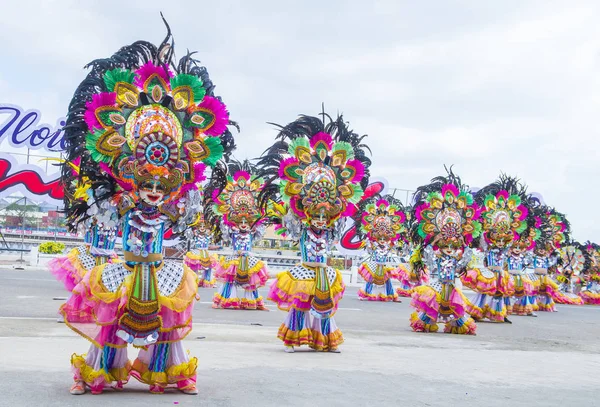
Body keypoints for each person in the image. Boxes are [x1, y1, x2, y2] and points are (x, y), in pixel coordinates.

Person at [58, 21, 236, 395]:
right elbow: (107, 220)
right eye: (148, 184)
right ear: (130, 176)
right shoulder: (121, 204)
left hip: (160, 271)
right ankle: (97, 373)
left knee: (169, 323)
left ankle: (170, 373)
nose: (154, 191)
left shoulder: (176, 209)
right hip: (126, 270)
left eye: (161, 185)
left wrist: (173, 248)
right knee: (110, 319)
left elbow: (179, 238)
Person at [258, 113, 372, 352]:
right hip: (305, 272)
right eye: (316, 215)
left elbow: (342, 215)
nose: (320, 221)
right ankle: (294, 338)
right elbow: (291, 215)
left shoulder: (331, 228)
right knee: (300, 304)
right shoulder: (301, 227)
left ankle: (326, 340)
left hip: (324, 273)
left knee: (326, 306)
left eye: (324, 216)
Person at [408, 168, 479, 335]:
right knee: (432, 306)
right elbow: (429, 260)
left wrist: (465, 247)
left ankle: (458, 324)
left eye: (452, 247)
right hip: (437, 284)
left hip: (452, 284)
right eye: (445, 246)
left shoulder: (456, 257)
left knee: (455, 308)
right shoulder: (436, 255)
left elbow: (462, 264)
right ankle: (426, 322)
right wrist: (431, 243)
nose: (448, 249)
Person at [462, 175, 531, 324]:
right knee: (484, 292)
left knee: (500, 294)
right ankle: (476, 312)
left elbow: (511, 241)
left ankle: (499, 314)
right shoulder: (488, 246)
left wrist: (510, 229)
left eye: (502, 240)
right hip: (490, 272)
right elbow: (483, 240)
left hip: (501, 273)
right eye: (497, 239)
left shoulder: (505, 247)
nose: (500, 242)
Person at [209, 160, 270, 310]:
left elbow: (260, 228)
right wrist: (224, 215)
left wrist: (261, 217)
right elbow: (224, 230)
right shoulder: (233, 232)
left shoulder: (253, 232)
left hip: (249, 258)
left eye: (247, 222)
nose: (243, 224)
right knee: (230, 280)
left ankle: (255, 302)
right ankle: (225, 300)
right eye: (240, 221)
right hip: (235, 258)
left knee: (252, 281)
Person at [355, 195, 409, 302]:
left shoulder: (388, 245)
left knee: (387, 280)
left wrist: (397, 239)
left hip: (383, 266)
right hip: (375, 265)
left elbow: (395, 242)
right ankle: (365, 294)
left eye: (385, 238)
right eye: (380, 238)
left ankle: (391, 295)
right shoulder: (374, 244)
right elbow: (369, 243)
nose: (383, 240)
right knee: (370, 279)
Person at [184, 212, 217, 288]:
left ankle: (207, 280)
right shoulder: (195, 235)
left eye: (203, 227)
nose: (202, 228)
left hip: (206, 252)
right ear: (198, 228)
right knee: (195, 267)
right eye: (200, 227)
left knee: (209, 267)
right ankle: (193, 281)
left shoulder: (208, 236)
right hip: (197, 252)